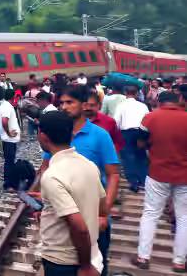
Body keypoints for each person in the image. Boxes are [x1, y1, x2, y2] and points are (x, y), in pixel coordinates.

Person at [50, 85, 121, 276]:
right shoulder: (57, 134)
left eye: (69, 102)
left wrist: (104, 212)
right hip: (65, 215)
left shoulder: (100, 136)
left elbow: (113, 174)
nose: (64, 107)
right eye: (61, 103)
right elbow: (47, 168)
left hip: (92, 213)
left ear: (83, 105)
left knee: (96, 265)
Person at [36, 110, 107, 276]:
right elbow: (102, 210)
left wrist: (85, 266)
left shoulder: (52, 175)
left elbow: (79, 227)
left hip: (63, 262)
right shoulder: (89, 165)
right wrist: (49, 206)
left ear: (43, 136)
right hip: (92, 252)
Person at [133, 91, 187, 272]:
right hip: (184, 176)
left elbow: (140, 143)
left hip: (157, 173)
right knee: (184, 218)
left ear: (158, 102)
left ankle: (143, 257)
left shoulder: (150, 118)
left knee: (150, 214)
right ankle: (179, 262)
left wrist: (152, 146)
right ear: (179, 100)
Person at [113, 85, 150, 192]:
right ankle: (143, 180)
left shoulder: (121, 105)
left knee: (128, 157)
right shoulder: (143, 106)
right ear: (137, 93)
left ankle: (133, 183)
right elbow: (147, 118)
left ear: (125, 93)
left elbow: (116, 121)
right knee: (141, 156)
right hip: (140, 132)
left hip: (126, 133)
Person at [0, 88, 21, 191]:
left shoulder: (5, 105)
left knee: (10, 161)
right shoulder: (7, 106)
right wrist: (9, 132)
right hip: (9, 139)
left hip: (8, 139)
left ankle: (10, 183)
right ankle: (8, 184)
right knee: (9, 162)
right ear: (14, 97)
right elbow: (4, 121)